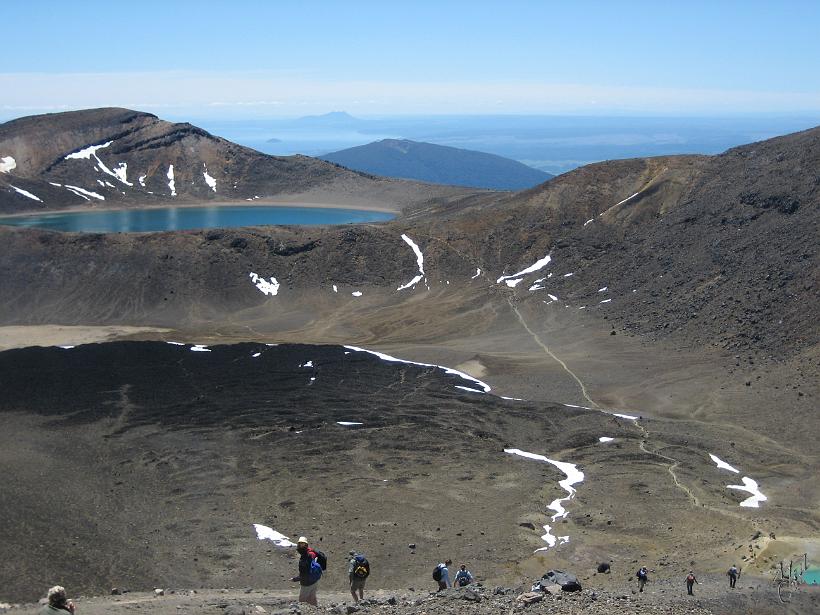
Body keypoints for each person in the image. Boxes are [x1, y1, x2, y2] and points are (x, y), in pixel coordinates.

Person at [291, 536, 321, 606]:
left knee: (302, 602)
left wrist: (294, 579)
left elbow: (304, 575)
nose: (300, 546)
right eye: (300, 544)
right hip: (314, 581)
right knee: (312, 599)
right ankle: (316, 611)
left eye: (301, 544)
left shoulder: (304, 558)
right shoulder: (310, 554)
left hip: (307, 584)